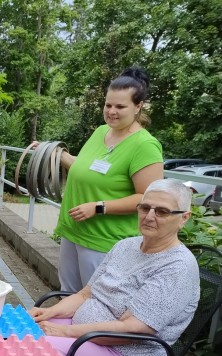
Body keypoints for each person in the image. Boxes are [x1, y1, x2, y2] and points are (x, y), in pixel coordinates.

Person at [29, 179, 199, 356]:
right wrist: (49, 313)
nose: (149, 216)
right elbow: (86, 294)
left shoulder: (177, 267)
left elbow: (132, 330)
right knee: (15, 330)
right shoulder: (126, 246)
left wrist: (63, 332)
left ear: (184, 218)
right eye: (145, 208)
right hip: (84, 333)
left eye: (162, 211)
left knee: (26, 349)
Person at [50, 66, 164, 291]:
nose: (111, 111)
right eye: (108, 105)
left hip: (104, 240)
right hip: (74, 230)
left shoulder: (145, 145)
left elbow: (148, 198)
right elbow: (84, 168)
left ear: (138, 106)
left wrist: (99, 207)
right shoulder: (101, 132)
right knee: (67, 295)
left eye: (120, 106)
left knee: (95, 304)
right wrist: (53, 153)